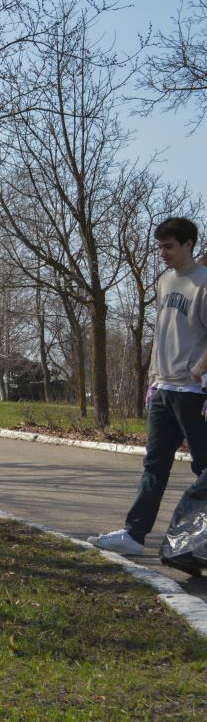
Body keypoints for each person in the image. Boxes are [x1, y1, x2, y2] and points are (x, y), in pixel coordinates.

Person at [91, 217, 207, 557]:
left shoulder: (204, 284)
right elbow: (162, 333)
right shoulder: (164, 281)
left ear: (188, 244)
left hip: (194, 394)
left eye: (169, 247)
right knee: (154, 466)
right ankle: (134, 534)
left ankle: (198, 542)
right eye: (160, 247)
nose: (163, 254)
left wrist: (200, 371)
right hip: (163, 390)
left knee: (204, 470)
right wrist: (153, 379)